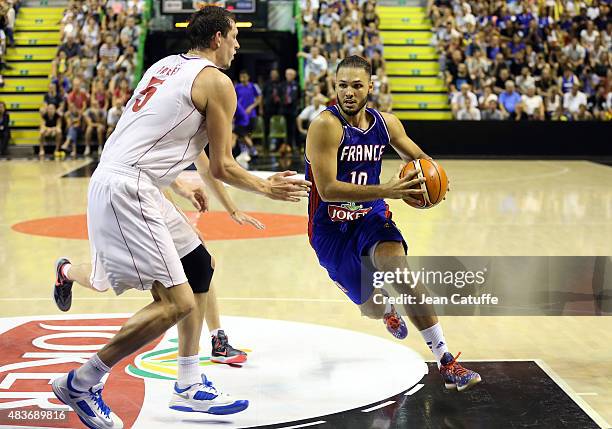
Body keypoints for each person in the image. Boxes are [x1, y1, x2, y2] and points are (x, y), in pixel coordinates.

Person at [51, 7, 310, 429]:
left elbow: (147, 135)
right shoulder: (217, 81)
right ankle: (83, 380)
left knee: (199, 266)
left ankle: (188, 385)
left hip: (130, 180)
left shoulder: (166, 66)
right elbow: (224, 166)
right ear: (216, 39)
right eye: (233, 37)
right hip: (128, 190)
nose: (237, 45)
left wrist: (175, 182)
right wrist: (267, 187)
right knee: (177, 302)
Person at [305, 56, 481, 392]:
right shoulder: (325, 126)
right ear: (335, 87)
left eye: (357, 85)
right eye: (342, 85)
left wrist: (432, 182)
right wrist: (389, 188)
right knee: (370, 308)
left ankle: (446, 361)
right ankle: (385, 308)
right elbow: (327, 190)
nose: (349, 92)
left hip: (371, 215)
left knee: (400, 271)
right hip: (330, 229)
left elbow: (421, 160)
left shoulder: (386, 124)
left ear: (371, 87)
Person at [53, 151, 260, 365]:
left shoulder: (191, 122)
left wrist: (225, 208)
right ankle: (65, 271)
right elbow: (159, 172)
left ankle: (217, 339)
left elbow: (201, 167)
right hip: (119, 193)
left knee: (203, 261)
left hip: (149, 194)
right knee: (100, 281)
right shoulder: (148, 128)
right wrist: (263, 188)